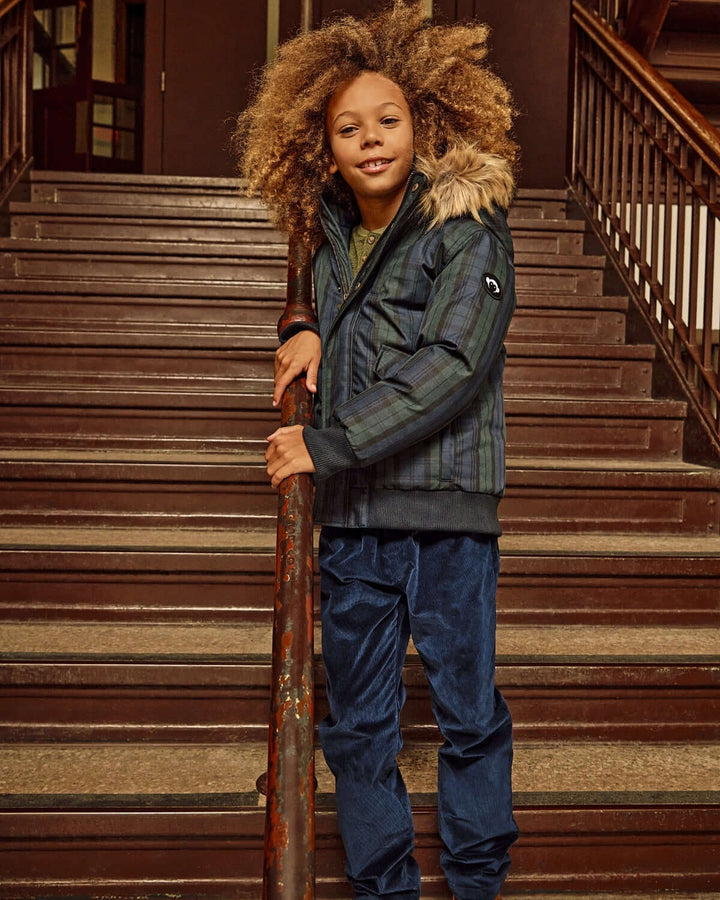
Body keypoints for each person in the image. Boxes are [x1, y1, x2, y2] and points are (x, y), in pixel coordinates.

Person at [235, 3, 519, 897]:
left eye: (387, 120)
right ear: (323, 147)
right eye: (348, 127)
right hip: (355, 521)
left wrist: (327, 443)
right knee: (357, 728)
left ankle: (477, 883)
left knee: (468, 717)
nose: (370, 140)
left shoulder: (467, 225)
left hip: (446, 520)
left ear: (422, 123)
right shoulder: (324, 241)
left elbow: (452, 364)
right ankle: (383, 887)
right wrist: (309, 326)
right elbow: (351, 326)